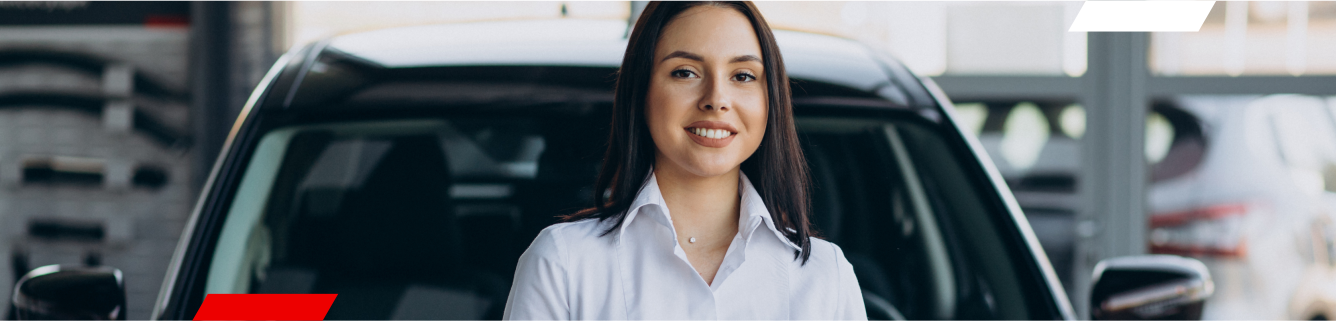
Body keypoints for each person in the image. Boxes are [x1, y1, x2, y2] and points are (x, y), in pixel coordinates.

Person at [502, 0, 867, 319]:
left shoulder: (825, 275)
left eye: (743, 75)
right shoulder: (564, 264)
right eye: (685, 72)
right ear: (640, 92)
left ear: (770, 100)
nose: (717, 99)